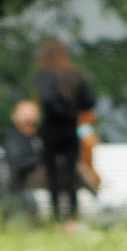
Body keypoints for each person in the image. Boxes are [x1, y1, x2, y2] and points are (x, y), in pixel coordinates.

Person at [32, 38, 96, 224]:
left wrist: (60, 109)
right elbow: (89, 101)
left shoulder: (42, 74)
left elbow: (46, 99)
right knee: (71, 170)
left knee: (52, 172)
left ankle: (55, 215)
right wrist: (71, 110)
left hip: (50, 129)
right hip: (70, 129)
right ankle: (73, 214)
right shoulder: (75, 74)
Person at [0, 98, 44, 220]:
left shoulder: (38, 135)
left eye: (33, 111)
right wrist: (40, 159)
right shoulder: (14, 136)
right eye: (27, 111)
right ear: (16, 115)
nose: (31, 114)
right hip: (24, 177)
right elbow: (18, 161)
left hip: (43, 174)